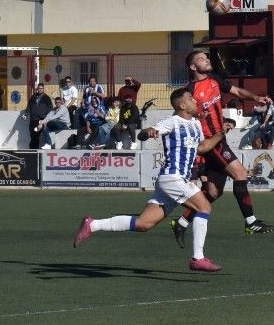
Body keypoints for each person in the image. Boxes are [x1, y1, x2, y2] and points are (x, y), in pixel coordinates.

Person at [73, 88, 230, 272]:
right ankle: (198, 258)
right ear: (181, 105)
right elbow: (146, 132)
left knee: (143, 224)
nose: (194, 100)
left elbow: (202, 147)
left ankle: (93, 224)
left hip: (172, 181)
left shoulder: (195, 124)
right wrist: (148, 133)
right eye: (190, 98)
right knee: (204, 207)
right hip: (173, 178)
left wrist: (221, 134)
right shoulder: (172, 122)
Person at [169, 50, 274, 245]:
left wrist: (256, 97)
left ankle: (181, 221)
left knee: (213, 192)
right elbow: (180, 117)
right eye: (201, 58)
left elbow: (237, 92)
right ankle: (250, 222)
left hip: (219, 140)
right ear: (193, 67)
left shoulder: (216, 80)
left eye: (207, 57)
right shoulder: (188, 91)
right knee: (240, 174)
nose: (207, 59)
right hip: (210, 143)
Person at [26, 83, 53, 149]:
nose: (40, 90)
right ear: (37, 89)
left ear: (43, 89)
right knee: (32, 134)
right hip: (33, 119)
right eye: (39, 88)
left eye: (41, 88)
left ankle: (35, 149)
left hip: (41, 120)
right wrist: (26, 113)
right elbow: (29, 107)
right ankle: (33, 149)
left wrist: (44, 115)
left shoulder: (47, 98)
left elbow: (50, 108)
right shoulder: (33, 97)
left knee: (38, 135)